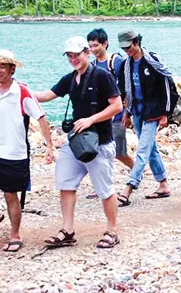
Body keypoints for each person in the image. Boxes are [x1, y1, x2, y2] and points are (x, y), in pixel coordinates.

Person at [35, 36, 122, 249]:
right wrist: (21, 92)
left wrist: (91, 119)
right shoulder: (71, 78)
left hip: (100, 142)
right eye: (70, 56)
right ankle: (67, 230)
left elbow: (117, 106)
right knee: (65, 183)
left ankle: (112, 231)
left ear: (87, 53)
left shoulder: (102, 76)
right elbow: (48, 95)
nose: (73, 59)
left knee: (105, 189)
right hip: (76, 141)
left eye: (77, 55)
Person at [0, 50, 53, 252]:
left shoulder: (22, 92)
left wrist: (49, 146)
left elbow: (41, 118)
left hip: (14, 154)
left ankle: (15, 235)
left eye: (2, 67)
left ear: (12, 69)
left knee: (10, 195)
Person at [116, 29, 173, 206]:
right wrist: (127, 113)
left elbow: (166, 86)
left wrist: (165, 114)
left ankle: (129, 188)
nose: (127, 51)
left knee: (142, 149)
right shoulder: (126, 66)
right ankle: (163, 183)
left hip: (153, 111)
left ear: (137, 42)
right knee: (150, 147)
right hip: (137, 110)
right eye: (124, 49)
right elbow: (126, 92)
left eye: (129, 47)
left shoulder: (152, 61)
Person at [87, 28, 134, 170]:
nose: (93, 49)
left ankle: (137, 170)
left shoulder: (116, 61)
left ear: (105, 43)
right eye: (90, 46)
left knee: (120, 153)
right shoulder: (92, 65)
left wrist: (128, 112)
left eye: (96, 45)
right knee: (100, 150)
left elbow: (128, 86)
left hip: (117, 115)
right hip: (101, 116)